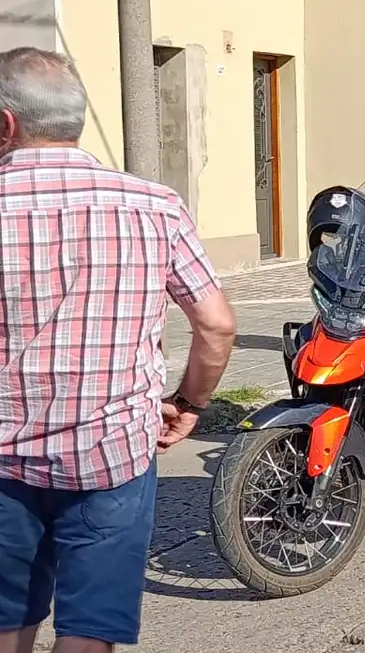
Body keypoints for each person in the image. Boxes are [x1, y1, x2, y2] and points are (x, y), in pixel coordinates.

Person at [0, 47, 237, 652]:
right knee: (89, 629)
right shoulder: (153, 205)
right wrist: (189, 401)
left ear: (6, 123)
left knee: (7, 619)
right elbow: (216, 325)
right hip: (111, 452)